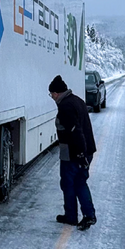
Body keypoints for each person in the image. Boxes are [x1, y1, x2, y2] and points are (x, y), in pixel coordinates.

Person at [49, 75, 97, 230]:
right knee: (75, 183)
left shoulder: (65, 106)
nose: (52, 97)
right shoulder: (77, 100)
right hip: (83, 150)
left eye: (51, 94)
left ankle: (85, 216)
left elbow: (76, 131)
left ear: (56, 93)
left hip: (73, 153)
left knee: (73, 183)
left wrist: (80, 154)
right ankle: (74, 215)